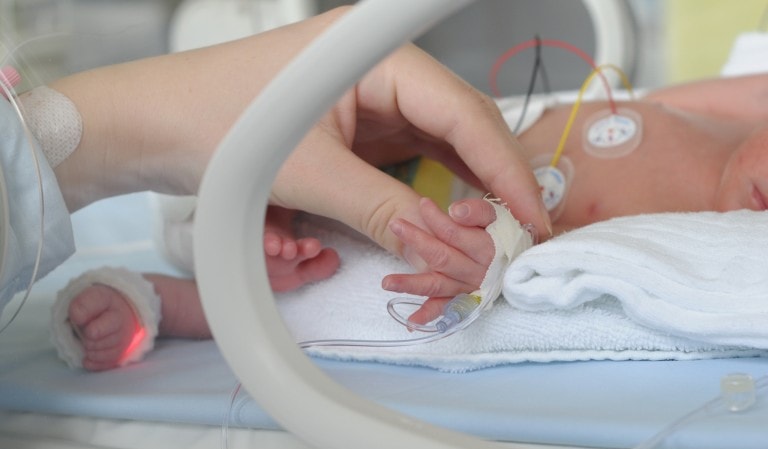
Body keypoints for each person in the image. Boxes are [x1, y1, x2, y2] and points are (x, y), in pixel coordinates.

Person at [64, 67, 768, 370]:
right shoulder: (740, 115)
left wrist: (497, 240)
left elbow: (574, 257)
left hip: (458, 221)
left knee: (328, 279)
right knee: (251, 149)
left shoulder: (713, 234)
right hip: (439, 140)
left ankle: (172, 300)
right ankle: (244, 217)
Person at [12, 7, 546, 370]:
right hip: (268, 224)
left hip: (283, 230)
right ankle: (179, 283)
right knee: (255, 271)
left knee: (263, 280)